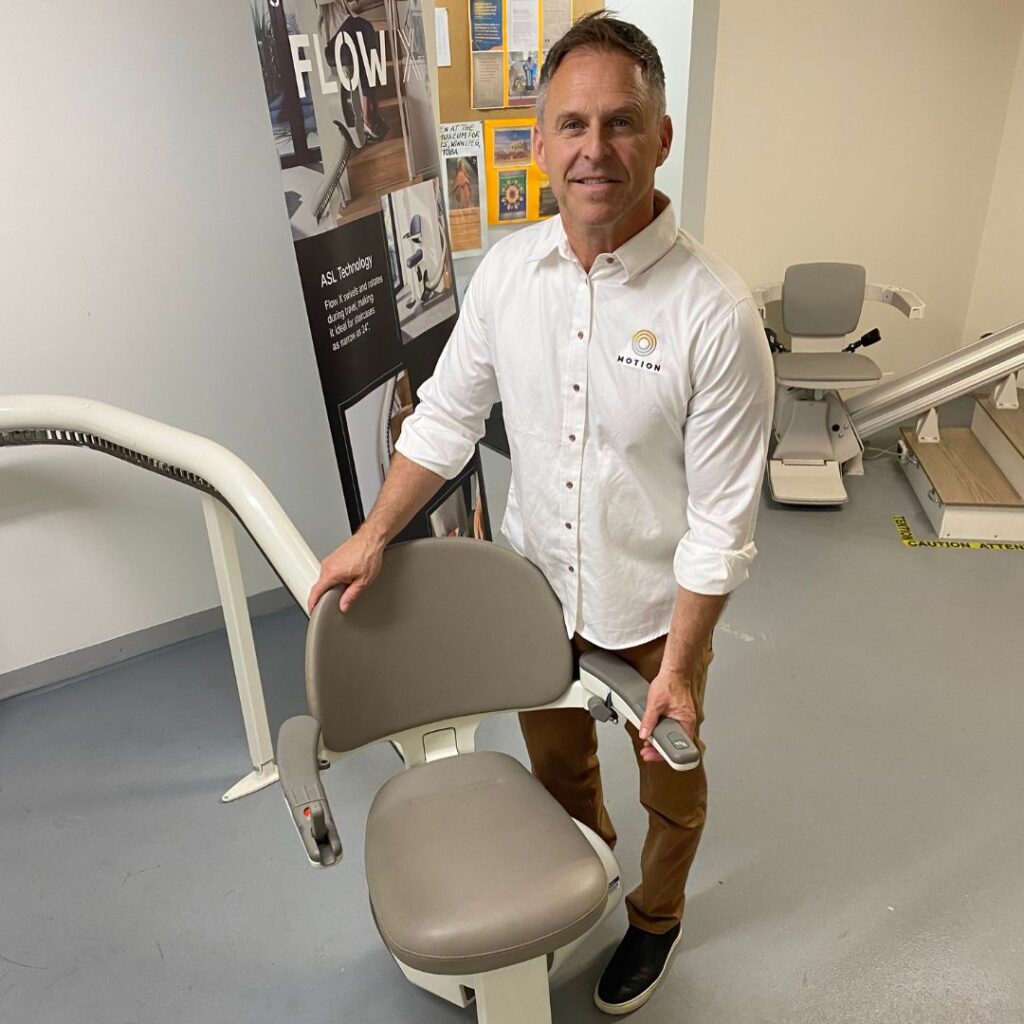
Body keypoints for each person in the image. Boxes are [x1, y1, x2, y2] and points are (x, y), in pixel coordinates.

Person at [308, 12, 774, 1015]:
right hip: (535, 593)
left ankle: (653, 916)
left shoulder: (714, 314)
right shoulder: (510, 275)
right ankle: (584, 872)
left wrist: (684, 669)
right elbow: (445, 417)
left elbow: (720, 522)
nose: (592, 150)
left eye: (618, 123)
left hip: (657, 610)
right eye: (570, 125)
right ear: (542, 139)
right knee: (557, 764)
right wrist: (372, 533)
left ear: (660, 137)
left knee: (671, 787)